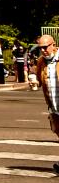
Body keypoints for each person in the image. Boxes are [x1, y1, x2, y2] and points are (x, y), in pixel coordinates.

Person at [33, 32, 59, 174]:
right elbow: (39, 80)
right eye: (40, 48)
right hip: (54, 106)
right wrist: (34, 82)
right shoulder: (41, 61)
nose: (43, 50)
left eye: (45, 47)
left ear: (53, 45)